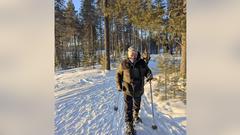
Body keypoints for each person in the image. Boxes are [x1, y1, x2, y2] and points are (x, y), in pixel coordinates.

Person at [116, 46, 153, 134]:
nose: (133, 54)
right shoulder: (124, 63)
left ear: (137, 54)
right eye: (131, 53)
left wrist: (149, 75)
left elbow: (147, 71)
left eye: (134, 53)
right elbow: (118, 74)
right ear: (128, 54)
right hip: (127, 89)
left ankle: (135, 115)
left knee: (137, 104)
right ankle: (129, 125)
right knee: (128, 107)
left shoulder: (142, 63)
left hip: (138, 88)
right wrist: (118, 85)